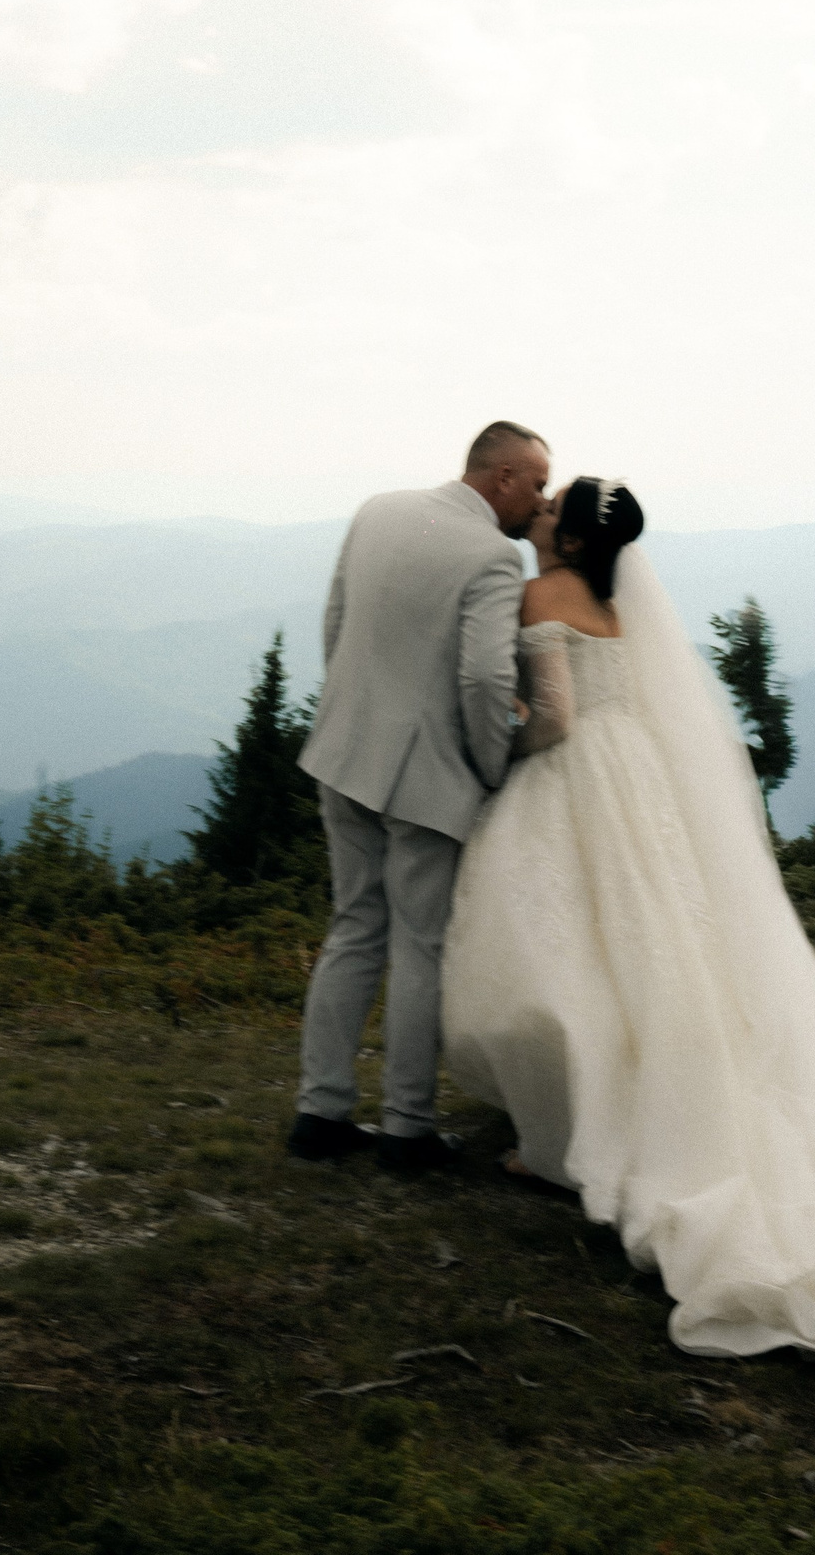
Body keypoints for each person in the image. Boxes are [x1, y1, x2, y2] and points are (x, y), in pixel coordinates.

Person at [442, 478, 815, 1375]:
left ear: (567, 539)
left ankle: (566, 1134)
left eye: (552, 505)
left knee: (562, 951)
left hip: (579, 775)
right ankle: (614, 1109)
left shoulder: (541, 595)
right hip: (640, 778)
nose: (541, 508)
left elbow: (558, 717)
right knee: (658, 948)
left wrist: (499, 753)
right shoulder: (617, 603)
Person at [287, 419, 550, 1174]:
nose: (540, 502)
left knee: (352, 928)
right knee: (419, 945)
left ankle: (320, 1112)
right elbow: (485, 678)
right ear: (501, 476)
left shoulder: (380, 509)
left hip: (343, 751)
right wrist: (489, 768)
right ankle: (407, 1127)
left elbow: (335, 620)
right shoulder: (493, 556)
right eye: (536, 484)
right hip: (427, 774)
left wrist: (350, 713)